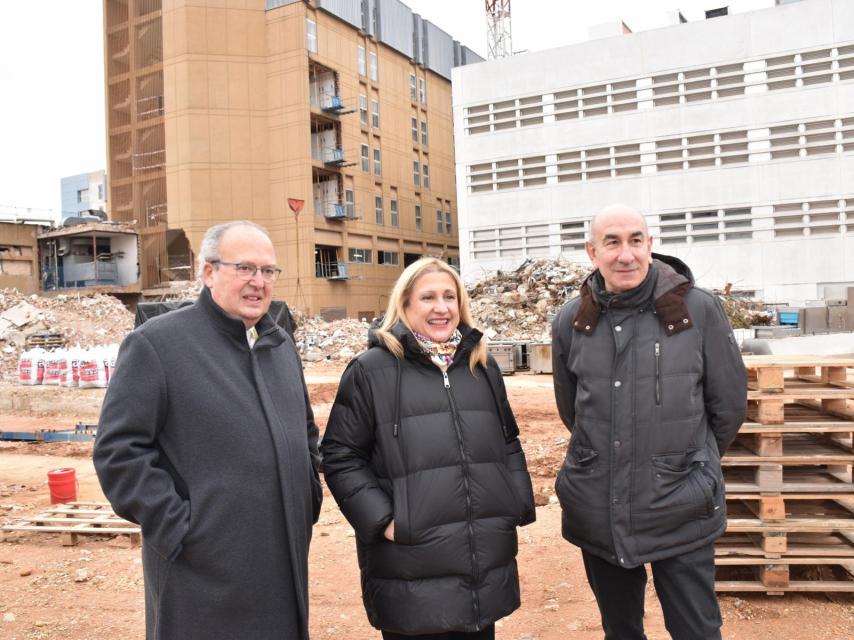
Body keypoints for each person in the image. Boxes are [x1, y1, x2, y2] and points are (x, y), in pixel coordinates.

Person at [93, 221, 322, 640]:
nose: (258, 282)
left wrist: (307, 495)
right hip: (200, 573)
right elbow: (118, 451)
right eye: (245, 268)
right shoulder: (158, 344)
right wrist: (178, 528)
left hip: (282, 561)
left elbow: (305, 431)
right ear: (209, 272)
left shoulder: (279, 345)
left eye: (268, 271)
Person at [551, 205, 747, 640]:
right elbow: (573, 412)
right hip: (600, 508)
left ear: (650, 245)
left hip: (681, 504)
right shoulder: (572, 321)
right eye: (612, 243)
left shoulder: (698, 309)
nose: (626, 254)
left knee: (697, 629)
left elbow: (729, 406)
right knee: (621, 630)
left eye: (635, 241)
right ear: (592, 252)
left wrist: (689, 463)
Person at [321, 257, 536, 639]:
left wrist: (515, 504)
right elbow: (341, 457)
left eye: (449, 297)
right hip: (410, 570)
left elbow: (508, 442)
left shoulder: (482, 367)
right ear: (404, 304)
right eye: (428, 297)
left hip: (482, 566)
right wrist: (384, 521)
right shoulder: (371, 371)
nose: (442, 308)